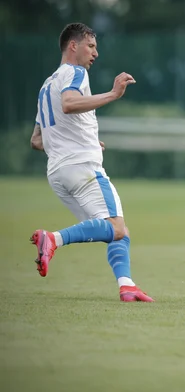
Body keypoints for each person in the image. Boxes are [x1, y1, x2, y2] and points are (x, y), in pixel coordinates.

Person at [29, 22, 153, 302]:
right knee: (116, 227)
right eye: (91, 46)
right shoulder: (75, 72)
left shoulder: (46, 86)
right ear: (73, 46)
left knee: (117, 232)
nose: (95, 53)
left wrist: (80, 138)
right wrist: (113, 95)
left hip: (58, 173)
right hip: (81, 168)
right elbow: (70, 104)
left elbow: (37, 140)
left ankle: (127, 285)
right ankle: (53, 239)